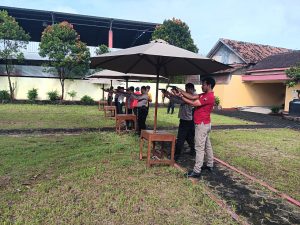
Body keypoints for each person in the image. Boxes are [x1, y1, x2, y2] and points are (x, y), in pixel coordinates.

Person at [176, 77, 216, 178]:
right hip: (205, 124)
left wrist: (181, 97)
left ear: (208, 85)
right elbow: (192, 97)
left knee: (199, 147)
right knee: (207, 145)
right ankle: (210, 165)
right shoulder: (204, 94)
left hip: (202, 124)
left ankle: (197, 171)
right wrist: (180, 91)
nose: (202, 86)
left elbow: (193, 103)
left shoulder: (209, 96)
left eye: (203, 84)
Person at [162, 83, 195, 161]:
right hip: (186, 120)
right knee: (189, 137)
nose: (186, 91)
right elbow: (178, 99)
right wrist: (168, 95)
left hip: (187, 121)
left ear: (191, 89)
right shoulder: (189, 96)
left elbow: (179, 101)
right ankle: (193, 150)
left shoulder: (192, 97)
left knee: (180, 138)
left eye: (186, 89)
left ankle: (176, 154)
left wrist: (170, 95)